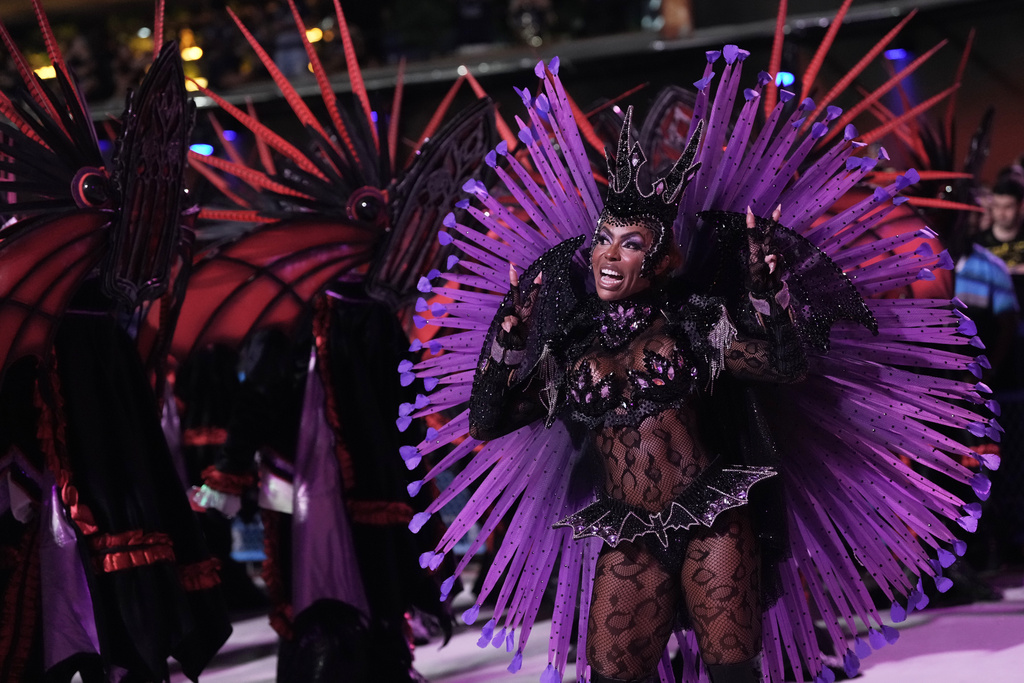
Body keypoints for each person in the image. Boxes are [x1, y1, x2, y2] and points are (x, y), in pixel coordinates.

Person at [401, 53, 993, 683]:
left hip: (714, 520)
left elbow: (783, 367)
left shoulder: (693, 327)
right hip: (627, 533)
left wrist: (768, 295)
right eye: (604, 238)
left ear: (659, 262)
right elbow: (488, 421)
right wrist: (506, 336)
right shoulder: (570, 350)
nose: (608, 254)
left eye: (630, 244)